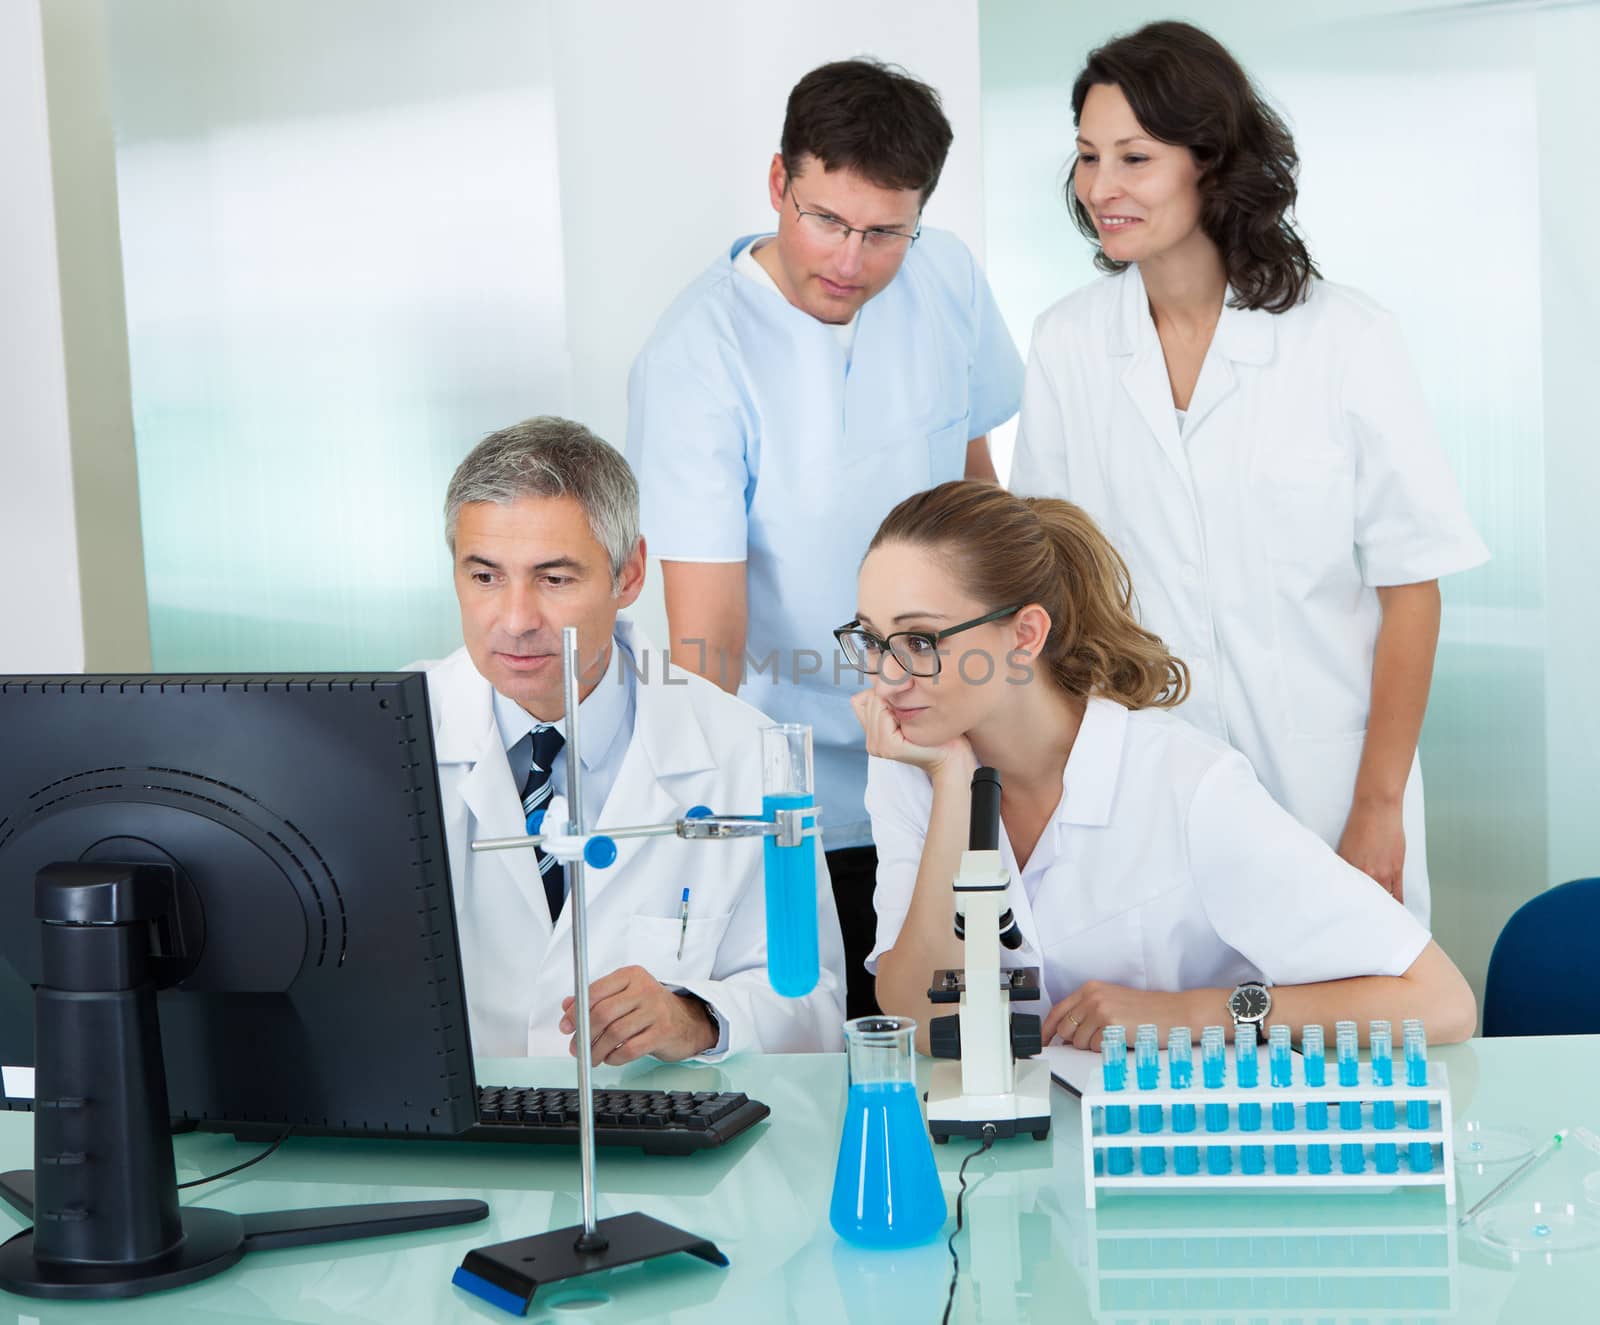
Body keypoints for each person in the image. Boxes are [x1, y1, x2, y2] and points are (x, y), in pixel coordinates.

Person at [1008, 22, 1487, 926]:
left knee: (1337, 1042)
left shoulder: (1346, 340)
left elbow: (1410, 588)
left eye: (1134, 158)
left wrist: (1379, 808)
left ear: (1211, 163)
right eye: (1086, 157)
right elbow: (1055, 586)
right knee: (1156, 1048)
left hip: (1324, 790)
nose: (1101, 188)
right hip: (1144, 793)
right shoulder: (1069, 343)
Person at [627, 58, 1024, 1016]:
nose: (851, 260)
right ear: (778, 184)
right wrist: (691, 839)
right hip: (802, 806)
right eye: (827, 221)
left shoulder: (946, 277)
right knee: (850, 1054)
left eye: (886, 231)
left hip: (967, 759)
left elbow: (981, 499)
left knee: (996, 1054)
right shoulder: (696, 358)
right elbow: (706, 642)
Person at [842, 480, 1476, 1051]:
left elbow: (1441, 1002)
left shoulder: (1188, 786)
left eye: (920, 641)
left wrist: (1193, 1014)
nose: (886, 677)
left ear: (1024, 636)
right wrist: (954, 784)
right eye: (871, 640)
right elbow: (916, 1020)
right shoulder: (914, 763)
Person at [411, 417, 845, 1062]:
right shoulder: (388, 738)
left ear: (630, 574)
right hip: (447, 1148)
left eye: (554, 579)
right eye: (485, 577)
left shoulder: (747, 755)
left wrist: (699, 1018)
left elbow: (814, 1003)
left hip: (658, 1142)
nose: (515, 619)